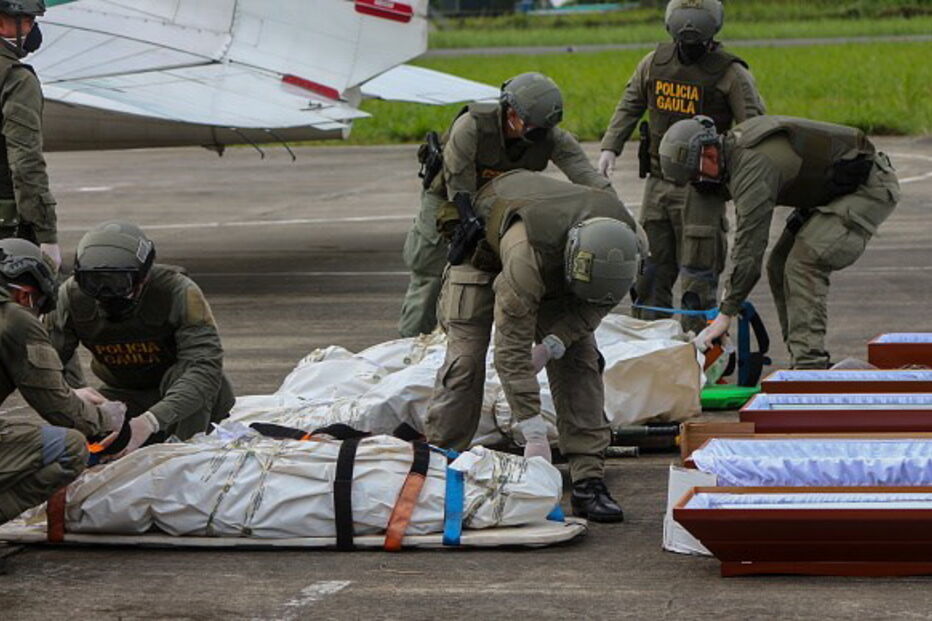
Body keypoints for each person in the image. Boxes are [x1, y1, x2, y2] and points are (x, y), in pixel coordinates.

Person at [425, 170, 643, 522]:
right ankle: (437, 467)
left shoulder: (625, 246)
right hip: (483, 251)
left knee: (581, 361)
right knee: (465, 362)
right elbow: (510, 352)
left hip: (565, 271)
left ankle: (588, 480)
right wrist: (534, 433)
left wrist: (555, 343)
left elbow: (597, 302)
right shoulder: (526, 261)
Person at [659, 115, 900, 368]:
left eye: (697, 176)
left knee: (804, 262)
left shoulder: (752, 167)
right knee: (779, 264)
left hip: (868, 188)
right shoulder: (731, 151)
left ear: (708, 154)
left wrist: (725, 314)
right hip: (834, 190)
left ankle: (810, 366)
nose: (699, 184)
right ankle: (802, 356)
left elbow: (750, 248)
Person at [398, 71, 615, 338]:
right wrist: (467, 229)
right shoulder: (470, 127)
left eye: (542, 130)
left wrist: (618, 213)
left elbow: (587, 176)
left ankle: (476, 339)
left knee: (506, 274)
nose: (537, 135)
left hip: (498, 202)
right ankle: (410, 342)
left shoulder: (552, 138)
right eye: (530, 126)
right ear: (510, 112)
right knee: (430, 272)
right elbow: (459, 187)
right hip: (450, 197)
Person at [598, 0, 764, 333]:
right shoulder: (654, 64)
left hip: (703, 188)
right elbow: (631, 103)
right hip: (659, 181)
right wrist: (609, 146)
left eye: (696, 42)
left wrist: (735, 173)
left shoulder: (730, 73)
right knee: (649, 269)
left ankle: (702, 352)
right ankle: (646, 347)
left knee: (698, 278)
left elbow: (755, 128)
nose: (689, 48)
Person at [46, 222, 235, 455]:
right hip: (123, 395)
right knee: (72, 445)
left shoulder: (177, 291)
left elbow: (204, 368)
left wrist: (151, 421)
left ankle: (182, 456)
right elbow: (47, 360)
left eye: (118, 282)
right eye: (93, 282)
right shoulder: (73, 296)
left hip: (184, 399)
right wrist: (72, 392)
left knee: (183, 390)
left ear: (143, 278)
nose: (105, 294)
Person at [0, 238, 125, 525]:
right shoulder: (15, 318)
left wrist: (70, 394)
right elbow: (58, 409)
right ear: (25, 296)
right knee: (69, 448)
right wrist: (105, 419)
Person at [0, 1, 61, 269]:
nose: (32, 30)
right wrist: (46, 234)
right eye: (26, 21)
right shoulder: (16, 79)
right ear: (3, 22)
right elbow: (25, 163)